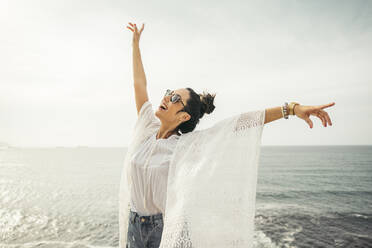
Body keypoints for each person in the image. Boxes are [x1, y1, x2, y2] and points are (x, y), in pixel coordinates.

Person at [124, 22, 335, 248]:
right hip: (134, 225)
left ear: (184, 117)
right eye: (168, 93)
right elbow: (139, 84)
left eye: (175, 99)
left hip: (165, 229)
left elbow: (241, 124)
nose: (166, 98)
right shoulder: (147, 128)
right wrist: (135, 43)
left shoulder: (185, 146)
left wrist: (291, 109)